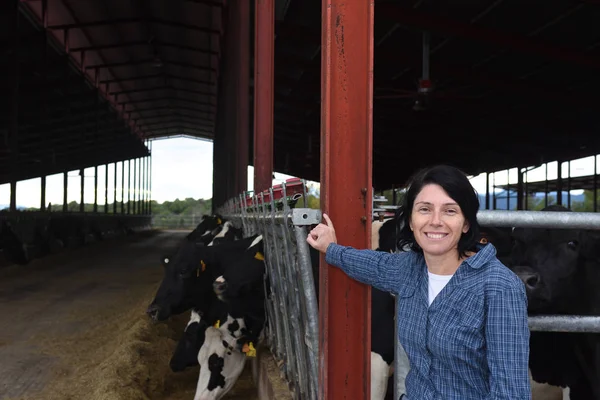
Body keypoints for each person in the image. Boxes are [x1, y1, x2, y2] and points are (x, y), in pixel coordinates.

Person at [307, 164, 531, 400]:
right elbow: (372, 265)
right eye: (424, 209)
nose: (435, 221)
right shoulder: (409, 269)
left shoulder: (499, 287)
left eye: (450, 211)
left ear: (466, 223)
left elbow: (510, 394)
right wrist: (330, 248)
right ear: (411, 221)